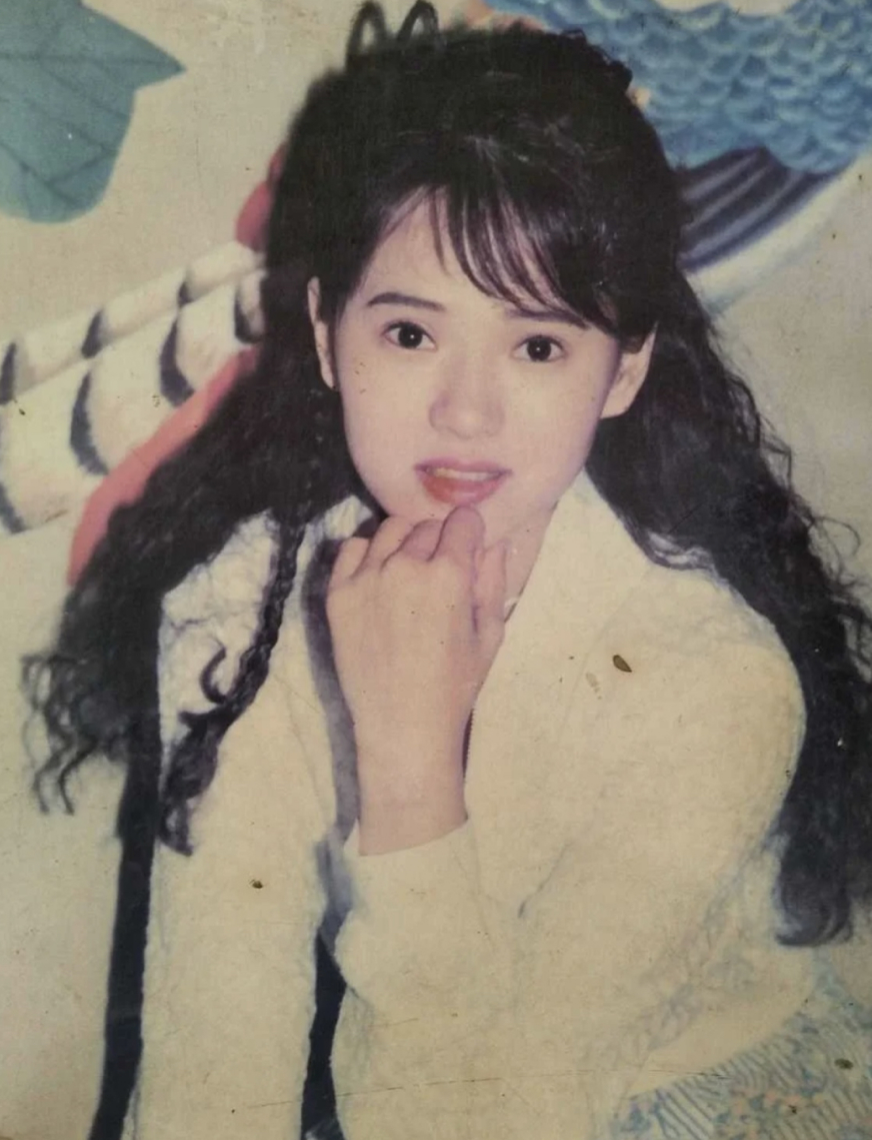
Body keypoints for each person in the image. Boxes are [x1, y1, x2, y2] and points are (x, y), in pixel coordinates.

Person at [22, 3, 872, 1138]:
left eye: (537, 345)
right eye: (411, 334)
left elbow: (504, 1116)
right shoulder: (237, 604)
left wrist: (409, 763)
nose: (465, 413)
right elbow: (210, 1064)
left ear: (622, 372)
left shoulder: (715, 682)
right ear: (327, 334)